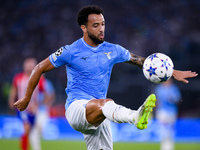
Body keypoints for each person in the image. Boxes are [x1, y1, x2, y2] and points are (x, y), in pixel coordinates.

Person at [14, 5, 198, 150]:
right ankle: (135, 116)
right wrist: (26, 98)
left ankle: (128, 115)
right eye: (96, 25)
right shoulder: (70, 51)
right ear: (83, 28)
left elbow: (141, 61)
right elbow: (38, 68)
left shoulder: (113, 50)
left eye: (103, 24)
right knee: (105, 103)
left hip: (100, 116)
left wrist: (171, 71)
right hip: (77, 108)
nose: (101, 29)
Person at [8, 57, 47, 150]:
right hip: (22, 108)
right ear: (24, 66)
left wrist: (38, 105)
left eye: (31, 65)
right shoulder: (18, 77)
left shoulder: (40, 78)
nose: (29, 67)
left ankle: (28, 146)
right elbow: (14, 89)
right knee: (26, 128)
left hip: (34, 109)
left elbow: (45, 94)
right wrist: (11, 100)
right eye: (28, 65)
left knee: (31, 130)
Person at [155, 79, 181, 150]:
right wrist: (157, 112)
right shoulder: (159, 88)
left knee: (170, 131)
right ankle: (164, 147)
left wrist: (172, 99)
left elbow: (178, 99)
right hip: (162, 112)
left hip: (172, 111)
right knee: (163, 130)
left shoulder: (173, 88)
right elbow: (158, 101)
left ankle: (170, 147)